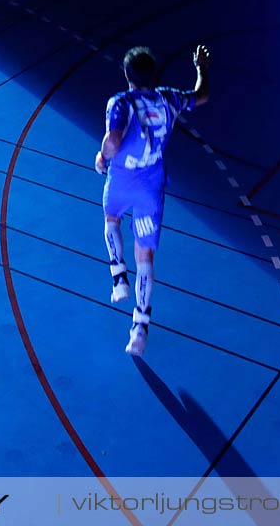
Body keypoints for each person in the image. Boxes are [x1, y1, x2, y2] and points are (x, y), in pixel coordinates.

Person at [96, 44, 210, 358]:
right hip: (151, 184)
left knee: (111, 220)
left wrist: (102, 156)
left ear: (126, 75)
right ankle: (140, 328)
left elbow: (113, 140)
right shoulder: (169, 97)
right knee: (145, 258)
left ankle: (118, 276)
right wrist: (201, 68)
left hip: (122, 178)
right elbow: (201, 95)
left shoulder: (121, 102)